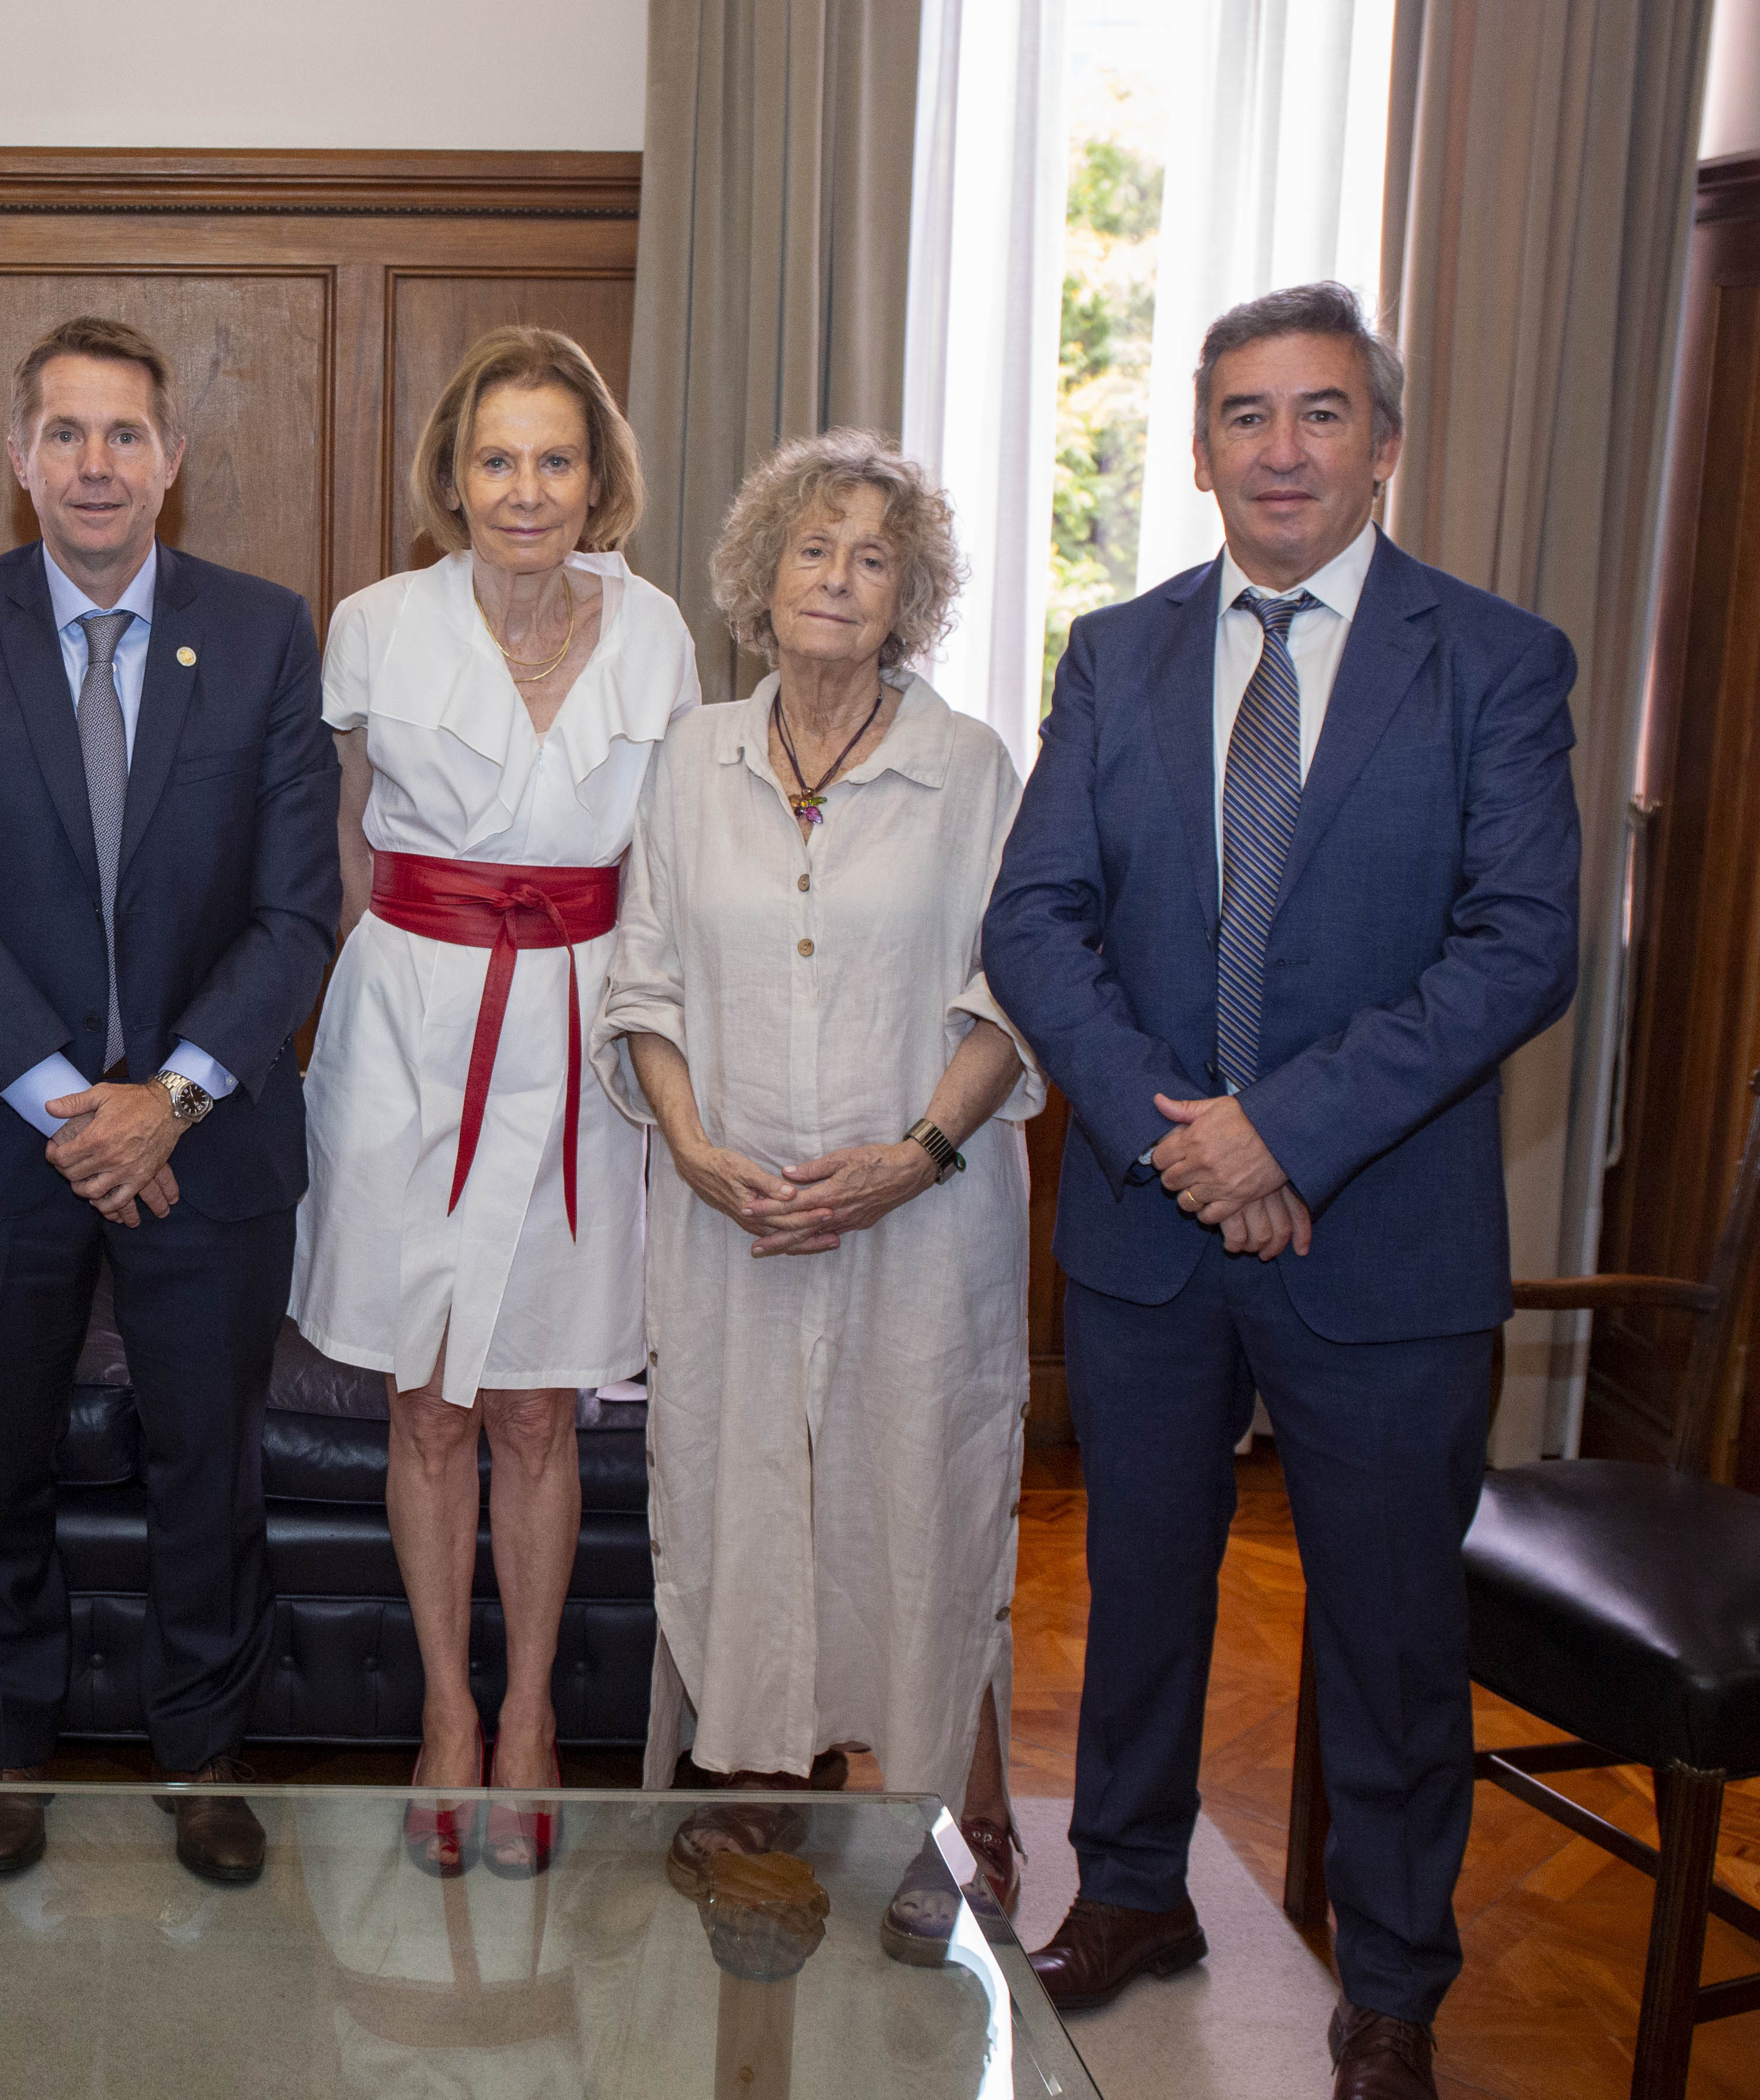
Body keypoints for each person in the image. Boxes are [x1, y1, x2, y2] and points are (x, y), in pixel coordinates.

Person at [982, 281, 1579, 2100]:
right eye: (1245, 415)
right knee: (1140, 1592)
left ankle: (1391, 1977)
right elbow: (1033, 916)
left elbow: (1519, 945)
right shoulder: (1117, 651)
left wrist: (1285, 1131)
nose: (1282, 448)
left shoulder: (1489, 657)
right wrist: (1186, 1133)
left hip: (1382, 1241)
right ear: (1196, 449)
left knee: (1392, 1636)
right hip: (1151, 1233)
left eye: (1320, 413)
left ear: (1381, 444)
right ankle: (1138, 1890)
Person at [0, 315, 340, 1886]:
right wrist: (84, 1108)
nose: (94, 463)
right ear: (19, 460)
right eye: (63, 433)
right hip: (3, 1138)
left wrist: (174, 1098)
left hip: (210, 1141)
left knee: (208, 1460)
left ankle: (200, 1756)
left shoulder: (265, 634)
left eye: (124, 433)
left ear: (171, 461)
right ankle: (6, 1750)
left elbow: (295, 908)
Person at [594, 429, 1038, 1966]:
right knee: (734, 1483)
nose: (838, 579)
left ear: (908, 596)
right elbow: (635, 984)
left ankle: (925, 1804)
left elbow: (1012, 993)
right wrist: (694, 1145)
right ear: (756, 580)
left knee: (914, 1495)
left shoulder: (970, 761)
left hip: (920, 1212)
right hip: (727, 1212)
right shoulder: (688, 757)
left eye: (872, 557)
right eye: (812, 550)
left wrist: (913, 1152)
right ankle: (754, 1781)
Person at [289, 326, 697, 1878]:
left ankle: (530, 1716)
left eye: (554, 458)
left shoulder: (657, 633)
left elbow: (666, 864)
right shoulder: (373, 625)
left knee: (537, 1399)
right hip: (406, 1032)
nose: (524, 489)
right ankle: (444, 1714)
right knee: (426, 1396)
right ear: (448, 476)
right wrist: (347, 1025)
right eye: (494, 459)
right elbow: (337, 848)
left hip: (582, 1030)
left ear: (597, 477)